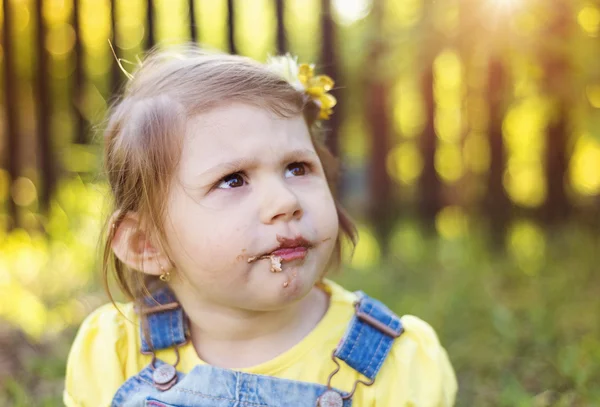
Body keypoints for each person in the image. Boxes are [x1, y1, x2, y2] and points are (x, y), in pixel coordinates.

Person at [64, 45, 457, 407]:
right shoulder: (115, 352)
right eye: (234, 179)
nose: (285, 201)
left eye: (297, 168)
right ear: (146, 244)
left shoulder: (394, 365)